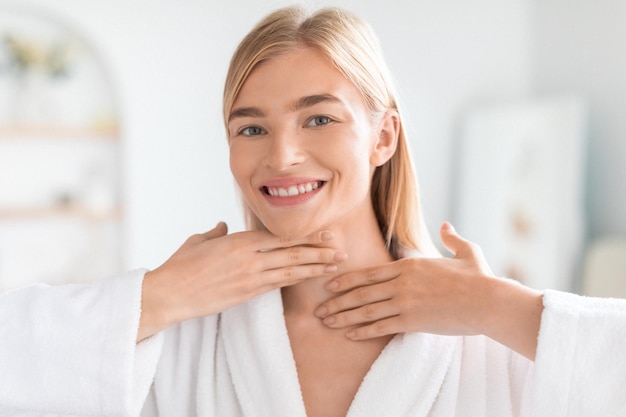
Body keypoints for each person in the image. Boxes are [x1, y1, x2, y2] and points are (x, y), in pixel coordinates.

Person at [1, 5, 625, 417]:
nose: (282, 155)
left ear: (384, 137)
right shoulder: (179, 336)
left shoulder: (488, 336)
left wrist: (498, 308)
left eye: (319, 118)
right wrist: (157, 297)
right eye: (250, 129)